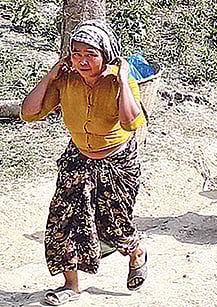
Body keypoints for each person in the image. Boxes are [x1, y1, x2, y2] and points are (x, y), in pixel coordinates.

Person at [20, 21, 149, 305]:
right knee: (63, 221)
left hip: (117, 161)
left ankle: (135, 251)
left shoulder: (120, 80)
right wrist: (50, 78)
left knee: (113, 222)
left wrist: (124, 79)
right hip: (78, 157)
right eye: (76, 54)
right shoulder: (66, 79)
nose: (82, 61)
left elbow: (131, 123)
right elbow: (29, 114)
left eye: (90, 54)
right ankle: (70, 286)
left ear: (106, 53)